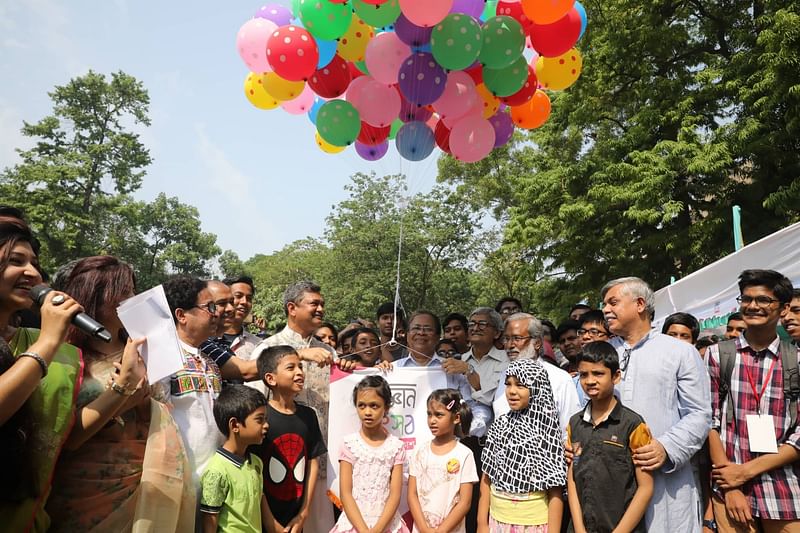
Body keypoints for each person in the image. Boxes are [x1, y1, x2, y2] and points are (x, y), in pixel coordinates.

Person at [46, 256, 194, 532]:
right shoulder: (64, 354)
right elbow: (65, 437)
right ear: (91, 294)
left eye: (131, 290)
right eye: (122, 291)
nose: (131, 298)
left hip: (146, 481)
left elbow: (162, 410)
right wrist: (123, 390)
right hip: (88, 489)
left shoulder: (144, 348)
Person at [600, 276, 711, 532]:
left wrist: (666, 447)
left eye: (613, 302)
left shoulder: (680, 352)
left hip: (665, 480)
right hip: (610, 478)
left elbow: (699, 414)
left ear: (639, 304)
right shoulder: (602, 354)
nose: (606, 309)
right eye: (604, 304)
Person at [0, 207, 83, 531]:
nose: (34, 274)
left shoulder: (31, 335)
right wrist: (48, 342)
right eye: (16, 261)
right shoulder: (44, 341)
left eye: (34, 263)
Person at [250, 280, 353, 532]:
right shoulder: (267, 349)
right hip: (278, 463)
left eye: (322, 304)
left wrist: (350, 371)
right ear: (291, 308)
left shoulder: (330, 353)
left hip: (319, 462)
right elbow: (254, 406)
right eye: (314, 303)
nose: (320, 309)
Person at [707, 270, 800, 532]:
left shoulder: (795, 360)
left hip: (784, 487)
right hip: (729, 489)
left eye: (763, 300)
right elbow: (708, 421)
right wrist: (732, 484)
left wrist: (747, 471)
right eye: (746, 299)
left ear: (782, 309)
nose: (752, 306)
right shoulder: (718, 355)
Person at [567, 341, 654, 533]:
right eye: (583, 375)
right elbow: (572, 479)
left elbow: (645, 488)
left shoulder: (632, 424)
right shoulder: (575, 423)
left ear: (615, 376)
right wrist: (579, 529)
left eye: (598, 373)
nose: (590, 381)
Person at [478, 359, 566, 533]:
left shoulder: (547, 430)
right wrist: (482, 523)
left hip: (534, 525)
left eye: (520, 385)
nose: (512, 391)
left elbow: (555, 491)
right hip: (498, 522)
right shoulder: (500, 425)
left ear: (536, 388)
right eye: (508, 384)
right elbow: (486, 477)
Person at [255, 345, 327, 532]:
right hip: (264, 519)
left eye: (301, 367)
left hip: (296, 519)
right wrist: (269, 521)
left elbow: (313, 462)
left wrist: (303, 513)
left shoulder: (308, 415)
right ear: (270, 378)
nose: (299, 372)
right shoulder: (260, 417)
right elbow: (253, 472)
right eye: (291, 368)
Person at [331, 375, 409, 533]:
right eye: (362, 406)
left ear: (386, 408)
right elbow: (345, 493)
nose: (367, 412)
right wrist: (364, 530)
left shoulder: (396, 447)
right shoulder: (349, 445)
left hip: (387, 525)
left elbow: (395, 495)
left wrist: (378, 529)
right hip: (354, 524)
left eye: (374, 406)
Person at [394, 311, 490, 437]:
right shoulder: (391, 370)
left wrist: (464, 429)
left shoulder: (452, 370)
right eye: (416, 328)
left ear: (437, 336)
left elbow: (480, 409)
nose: (421, 333)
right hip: (402, 451)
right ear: (407, 335)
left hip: (443, 451)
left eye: (427, 329)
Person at [494, 313, 581, 440]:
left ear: (537, 343)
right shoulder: (504, 377)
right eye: (506, 339)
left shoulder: (559, 379)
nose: (510, 345)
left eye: (517, 338)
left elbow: (569, 431)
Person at [200, 384, 269, 533]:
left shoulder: (256, 463)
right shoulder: (217, 471)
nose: (266, 425)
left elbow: (260, 500)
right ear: (235, 425)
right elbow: (210, 519)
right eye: (259, 420)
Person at [408, 389, 478, 533]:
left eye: (439, 415)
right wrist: (423, 528)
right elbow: (412, 494)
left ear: (456, 418)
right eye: (429, 414)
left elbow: (465, 502)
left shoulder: (465, 454)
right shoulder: (420, 452)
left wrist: (442, 530)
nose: (432, 420)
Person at [221, 275, 262, 359]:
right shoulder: (204, 340)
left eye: (249, 298)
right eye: (238, 296)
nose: (244, 302)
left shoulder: (258, 345)